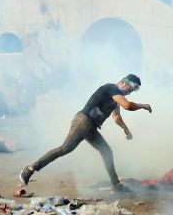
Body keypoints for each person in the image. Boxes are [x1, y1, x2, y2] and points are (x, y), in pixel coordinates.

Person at [19, 74, 152, 191]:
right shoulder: (111, 88)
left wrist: (126, 129)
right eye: (131, 88)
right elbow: (128, 105)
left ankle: (116, 185)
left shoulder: (117, 97)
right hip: (83, 122)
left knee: (106, 152)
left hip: (91, 127)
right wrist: (143, 106)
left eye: (134, 90)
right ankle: (30, 169)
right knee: (64, 149)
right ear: (123, 82)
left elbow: (116, 117)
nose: (131, 92)